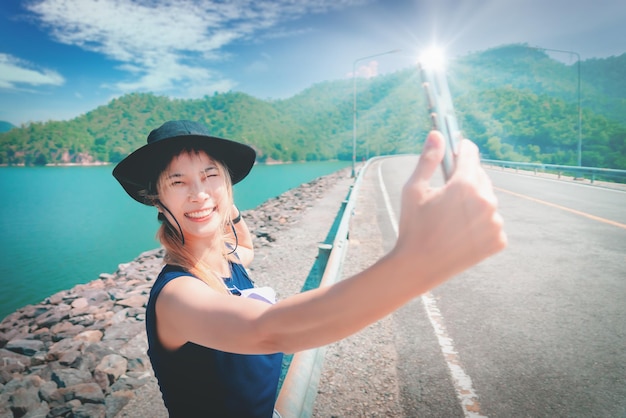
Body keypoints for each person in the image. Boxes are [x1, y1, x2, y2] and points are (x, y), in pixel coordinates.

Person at [113, 119, 506, 417]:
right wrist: (417, 264)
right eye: (178, 182)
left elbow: (245, 245)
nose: (197, 192)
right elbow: (268, 331)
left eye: (210, 175)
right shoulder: (178, 294)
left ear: (229, 183)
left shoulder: (225, 261)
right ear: (158, 200)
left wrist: (221, 208)